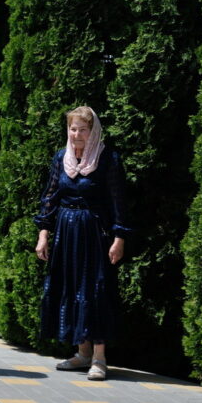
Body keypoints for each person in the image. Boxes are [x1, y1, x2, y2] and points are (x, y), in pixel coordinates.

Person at [34, 106, 131, 381]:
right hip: (66, 233)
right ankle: (82, 353)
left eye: (82, 130)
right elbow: (50, 198)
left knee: (95, 290)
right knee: (71, 288)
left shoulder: (108, 160)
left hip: (95, 234)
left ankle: (100, 358)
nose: (76, 134)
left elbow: (118, 202)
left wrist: (119, 238)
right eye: (72, 129)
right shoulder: (61, 158)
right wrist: (43, 234)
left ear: (93, 131)